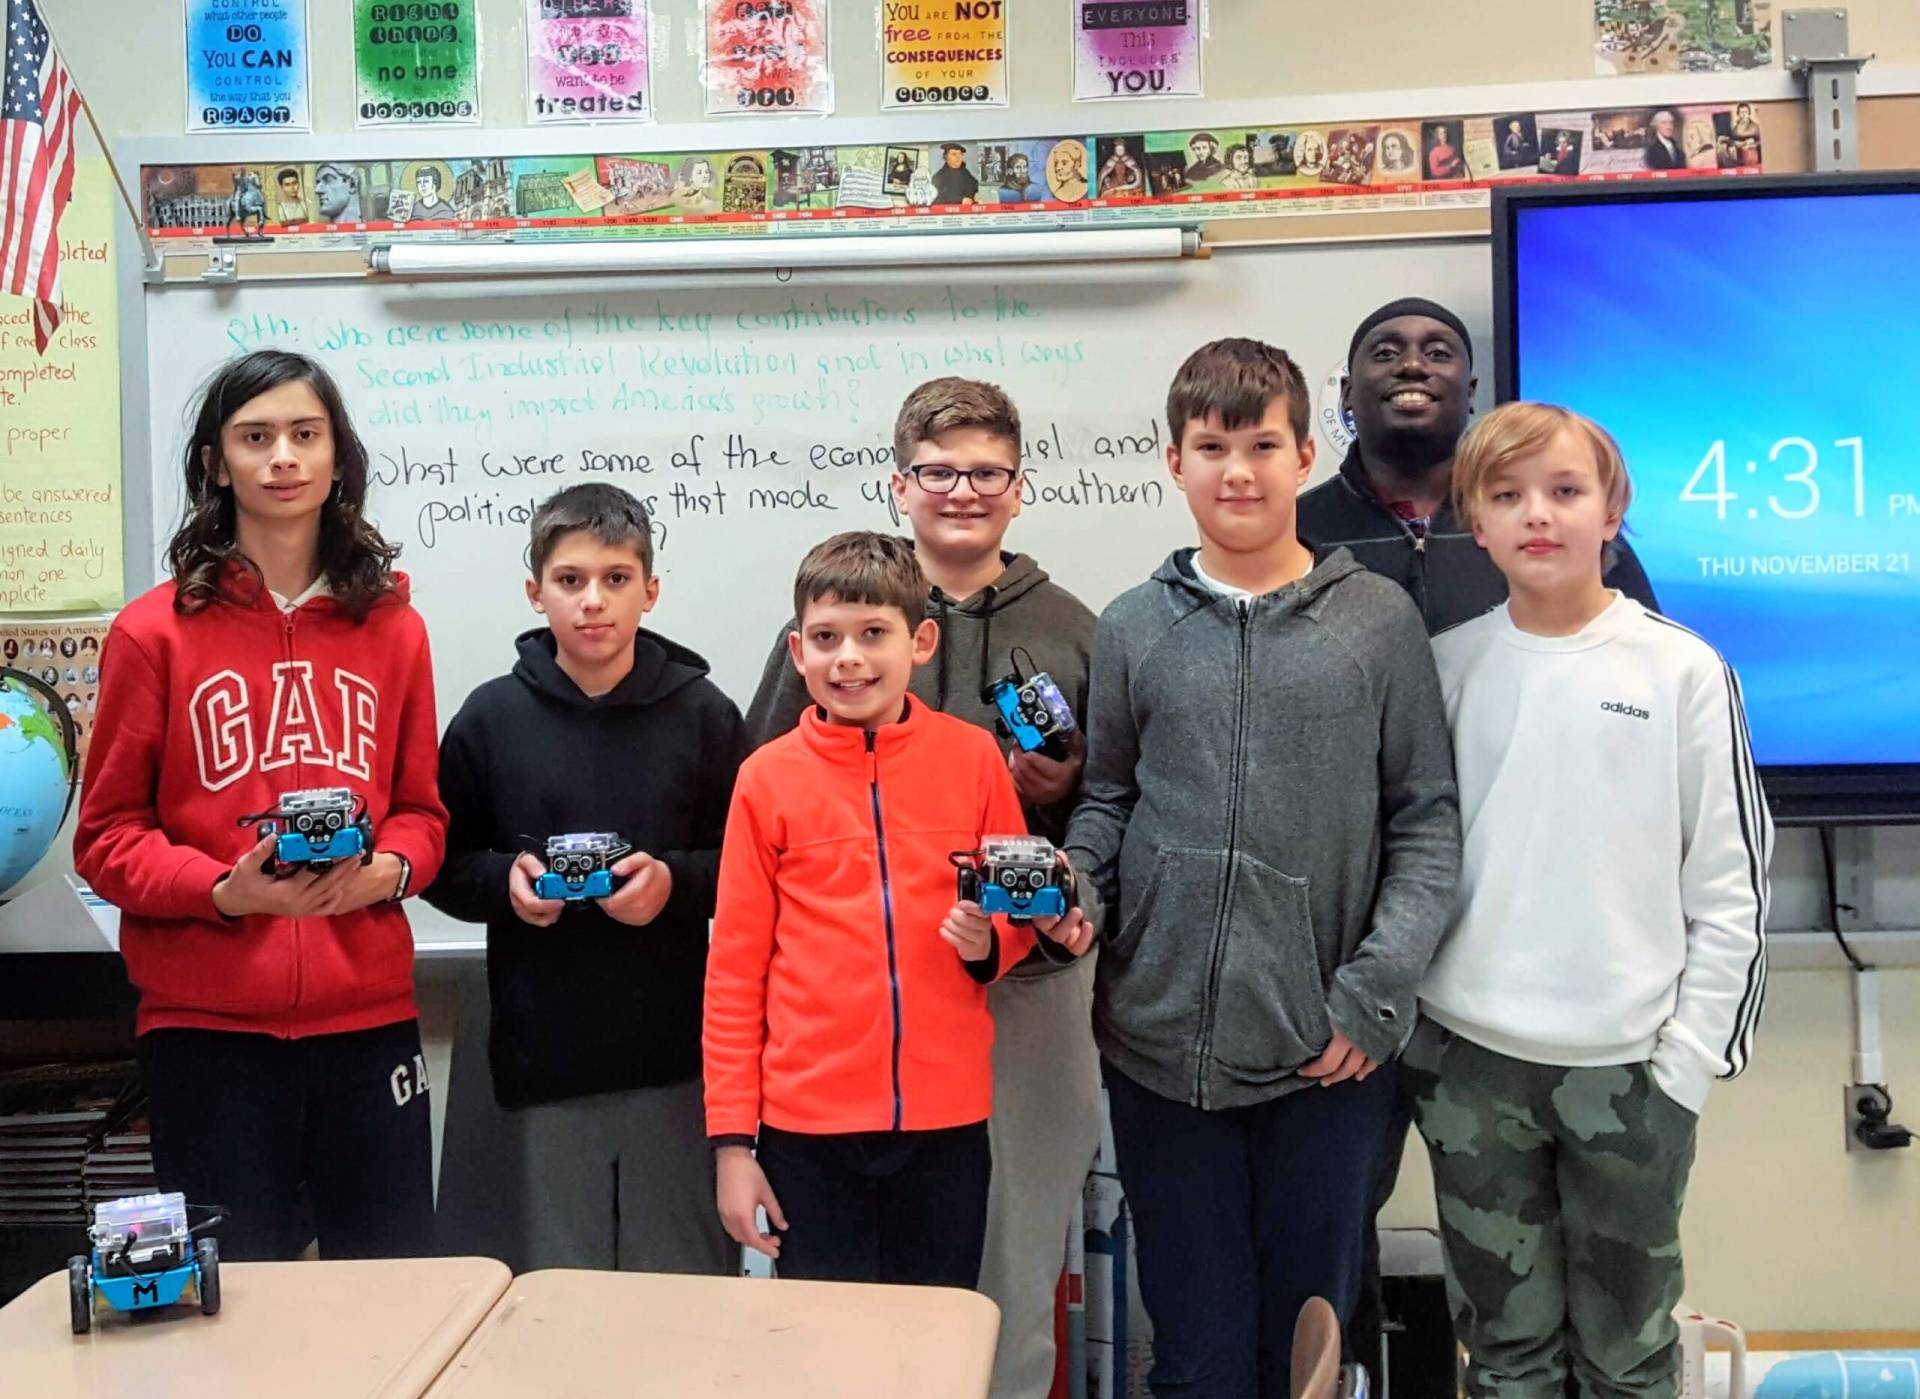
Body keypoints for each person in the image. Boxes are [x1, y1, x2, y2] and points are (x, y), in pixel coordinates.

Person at [1063, 339, 1461, 1396]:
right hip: (1158, 1055)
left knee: (1307, 1359)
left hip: (1325, 1055)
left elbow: (1426, 822)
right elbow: (1107, 800)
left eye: (1261, 445)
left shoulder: (1377, 622)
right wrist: (1077, 893)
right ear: (1174, 461)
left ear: (1304, 453)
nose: (1237, 470)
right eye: (1211, 447)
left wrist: (1374, 995)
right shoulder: (1133, 625)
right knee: (1196, 1360)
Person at [743, 381, 1104, 1398]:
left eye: (984, 471)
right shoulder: (841, 620)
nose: (961, 491)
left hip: (1025, 998)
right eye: (937, 471)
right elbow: (770, 784)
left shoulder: (1077, 630)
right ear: (900, 484)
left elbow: (1116, 808)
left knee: (1010, 1271)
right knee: (854, 1303)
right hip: (856, 1020)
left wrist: (1063, 822)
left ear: (1018, 488)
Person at [1410, 402, 1771, 1396]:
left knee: (1629, 1360)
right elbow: (1412, 856)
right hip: (1471, 1069)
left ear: (1612, 510)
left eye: (1566, 492)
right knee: (1506, 1357)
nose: (1539, 515)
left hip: (1630, 1075)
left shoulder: (1682, 670)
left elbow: (1732, 889)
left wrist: (1687, 1070)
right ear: (1473, 522)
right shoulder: (1447, 667)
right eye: (1508, 495)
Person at [72, 350, 446, 1262]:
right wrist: (221, 892)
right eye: (256, 436)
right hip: (208, 1038)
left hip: (368, 1024)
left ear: (335, 459)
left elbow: (422, 814)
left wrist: (387, 873)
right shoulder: (150, 633)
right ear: (216, 462)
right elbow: (107, 838)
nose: (283, 457)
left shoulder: (395, 628)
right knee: (233, 1309)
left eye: (305, 435)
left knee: (392, 1296)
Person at [705, 532, 1092, 1290]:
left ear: (920, 640)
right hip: (805, 1132)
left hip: (944, 1127)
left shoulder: (973, 757)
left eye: (872, 633)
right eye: (826, 638)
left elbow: (1011, 910)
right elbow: (734, 971)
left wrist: (991, 943)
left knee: (935, 1341)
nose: (848, 657)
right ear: (797, 652)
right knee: (826, 1349)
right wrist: (731, 1145)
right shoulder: (765, 779)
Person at [425, 484, 740, 1275]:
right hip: (543, 1059)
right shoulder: (489, 719)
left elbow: (747, 865)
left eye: (616, 578)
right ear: (536, 591)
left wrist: (673, 883)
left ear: (651, 589)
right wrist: (507, 885)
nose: (593, 601)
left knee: (681, 1288)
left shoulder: (706, 716)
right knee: (556, 1290)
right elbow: (441, 863)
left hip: (677, 1057)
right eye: (570, 580)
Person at [1299, 298, 1661, 634]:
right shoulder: (1298, 530)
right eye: (1386, 353)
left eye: (1438, 353)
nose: (1411, 366)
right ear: (1346, 393)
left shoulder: (1559, 529)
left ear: (1470, 392)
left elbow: (1637, 653)